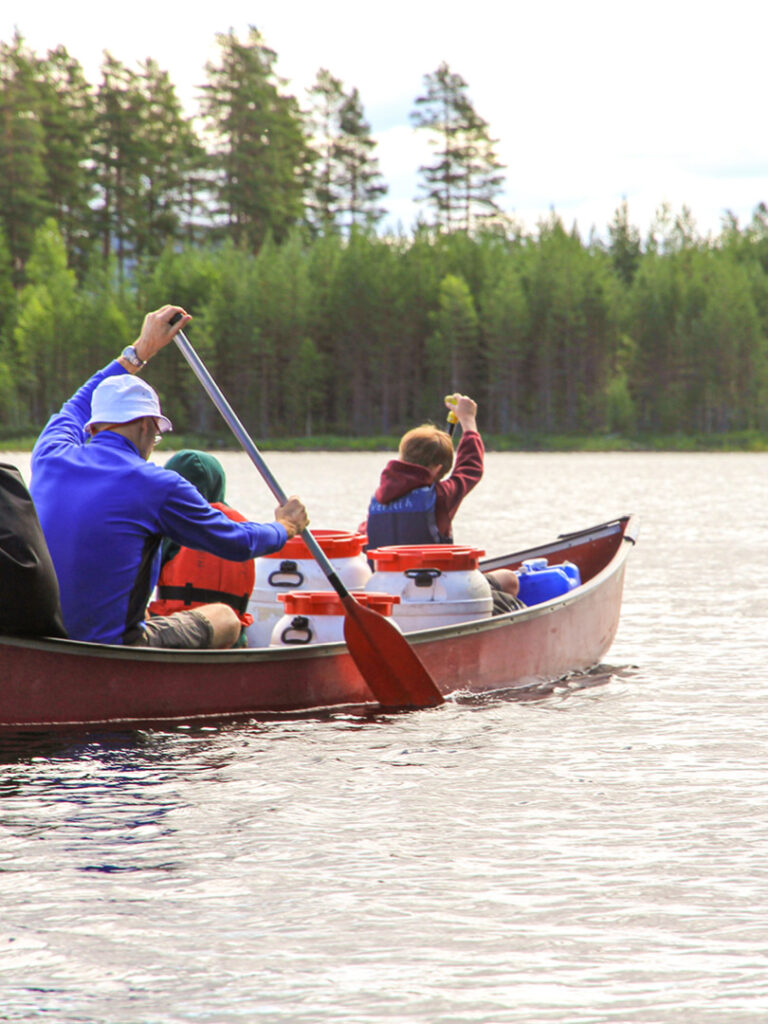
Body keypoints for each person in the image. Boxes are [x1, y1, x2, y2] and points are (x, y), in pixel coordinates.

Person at [30, 305, 308, 648]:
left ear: (95, 425)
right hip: (112, 649)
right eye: (156, 435)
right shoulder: (157, 485)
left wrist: (141, 349)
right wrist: (285, 527)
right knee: (224, 617)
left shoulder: (50, 453)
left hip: (44, 639)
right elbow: (237, 542)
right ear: (147, 425)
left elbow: (77, 403)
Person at [363, 393, 522, 613]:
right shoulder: (440, 496)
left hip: (387, 594)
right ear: (438, 470)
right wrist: (468, 420)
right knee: (509, 580)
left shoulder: (377, 501)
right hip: (440, 595)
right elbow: (470, 468)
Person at [147, 450, 254, 646]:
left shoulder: (172, 526)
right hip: (233, 639)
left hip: (180, 634)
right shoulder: (243, 529)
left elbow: (137, 582)